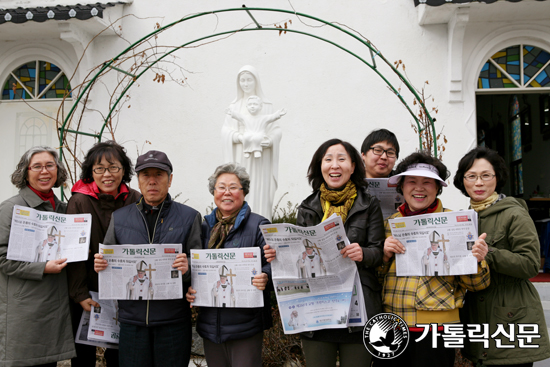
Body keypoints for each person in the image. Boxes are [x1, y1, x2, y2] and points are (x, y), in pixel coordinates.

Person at [265, 138, 385, 367]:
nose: (334, 165)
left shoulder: (369, 204)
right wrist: (277, 254)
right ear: (320, 166)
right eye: (328, 159)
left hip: (358, 306)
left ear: (353, 166)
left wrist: (363, 253)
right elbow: (297, 253)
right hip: (317, 307)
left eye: (341, 159)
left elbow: (379, 252)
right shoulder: (308, 206)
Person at [377, 152, 490, 367]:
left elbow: (478, 284)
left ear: (438, 188)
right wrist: (382, 255)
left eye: (427, 182)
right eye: (411, 181)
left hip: (438, 326)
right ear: (401, 186)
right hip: (392, 323)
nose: (419, 188)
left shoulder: (457, 223)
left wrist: (477, 259)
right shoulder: (389, 224)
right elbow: (375, 278)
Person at [94, 150, 202, 367]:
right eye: (146, 175)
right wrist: (101, 265)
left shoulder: (190, 217)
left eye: (159, 175)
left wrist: (188, 268)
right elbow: (109, 262)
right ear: (138, 180)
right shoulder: (120, 217)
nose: (152, 181)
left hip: (173, 321)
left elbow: (200, 267)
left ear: (170, 180)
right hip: (132, 321)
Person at [454, 146, 550, 366]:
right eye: (471, 176)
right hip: (475, 314)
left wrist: (490, 253)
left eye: (486, 175)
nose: (479, 183)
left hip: (511, 313)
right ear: (463, 181)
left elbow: (530, 264)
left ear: (497, 178)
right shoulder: (462, 218)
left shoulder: (514, 213)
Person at [186, 163, 272, 367]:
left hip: (245, 325)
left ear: (243, 191)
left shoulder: (260, 225)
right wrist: (190, 287)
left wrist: (265, 276)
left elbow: (275, 264)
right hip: (210, 324)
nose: (227, 192)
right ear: (213, 192)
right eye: (221, 187)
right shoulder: (203, 226)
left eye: (233, 187)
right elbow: (193, 266)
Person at [66, 140, 140, 367]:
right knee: (83, 355)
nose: (107, 174)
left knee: (121, 354)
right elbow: (73, 253)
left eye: (113, 167)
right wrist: (79, 294)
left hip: (124, 291)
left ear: (124, 170)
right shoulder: (79, 200)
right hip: (88, 290)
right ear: (91, 172)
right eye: (99, 169)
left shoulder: (135, 199)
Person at [0, 146, 75, 366]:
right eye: (37, 166)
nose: (44, 171)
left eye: (50, 165)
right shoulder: (11, 208)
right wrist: (42, 267)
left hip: (54, 307)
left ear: (58, 170)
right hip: (25, 310)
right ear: (25, 172)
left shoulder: (63, 209)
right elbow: (1, 257)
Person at [221, 65, 282, 220]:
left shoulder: (267, 106)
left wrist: (268, 141)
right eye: (242, 80)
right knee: (240, 187)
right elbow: (226, 131)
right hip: (241, 158)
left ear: (256, 81)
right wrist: (238, 138)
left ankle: (261, 222)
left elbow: (276, 130)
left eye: (249, 80)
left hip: (261, 160)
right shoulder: (234, 106)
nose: (246, 84)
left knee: (259, 188)